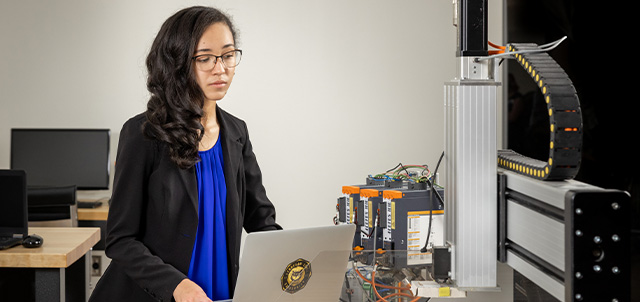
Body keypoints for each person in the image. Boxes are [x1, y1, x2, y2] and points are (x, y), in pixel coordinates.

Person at [89, 6, 281, 302]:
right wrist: (178, 286)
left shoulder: (237, 132)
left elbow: (262, 221)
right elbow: (120, 240)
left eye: (228, 55)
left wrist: (295, 261)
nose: (221, 69)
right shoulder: (143, 134)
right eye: (205, 58)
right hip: (154, 295)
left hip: (219, 294)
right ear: (177, 63)